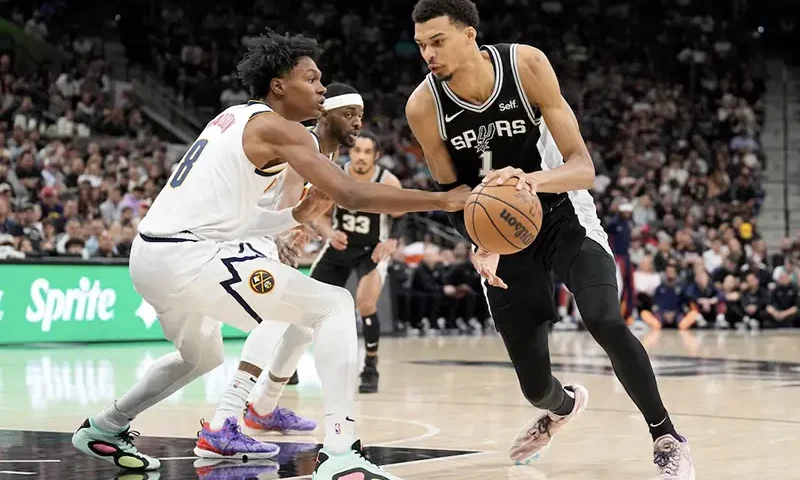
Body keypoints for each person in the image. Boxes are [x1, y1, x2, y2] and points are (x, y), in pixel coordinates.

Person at [71, 30, 468, 480]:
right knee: (333, 305)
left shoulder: (233, 118)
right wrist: (444, 200)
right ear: (279, 84)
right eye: (312, 78)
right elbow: (351, 194)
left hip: (153, 256)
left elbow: (232, 220)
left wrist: (294, 215)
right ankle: (340, 453)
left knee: (201, 357)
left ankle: (106, 425)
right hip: (188, 258)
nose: (322, 88)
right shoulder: (278, 128)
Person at [404, 1, 695, 478]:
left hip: (561, 213)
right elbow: (450, 193)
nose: (428, 54)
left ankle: (665, 435)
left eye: (437, 41)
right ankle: (562, 406)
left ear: (470, 34)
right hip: (501, 236)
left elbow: (583, 167)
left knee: (603, 317)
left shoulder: (525, 66)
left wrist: (530, 182)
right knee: (535, 387)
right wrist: (479, 243)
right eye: (421, 45)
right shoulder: (423, 105)